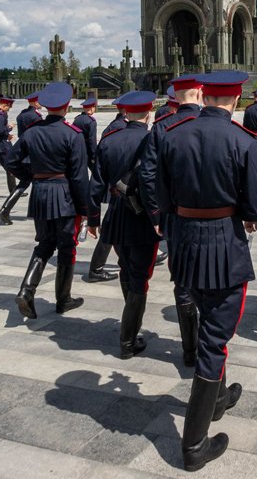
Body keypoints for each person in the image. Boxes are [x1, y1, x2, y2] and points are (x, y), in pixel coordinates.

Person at [156, 71, 257, 471]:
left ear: (204, 97)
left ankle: (219, 399)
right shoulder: (243, 141)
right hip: (223, 243)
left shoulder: (171, 135)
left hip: (186, 242)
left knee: (208, 322)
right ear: (236, 101)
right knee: (215, 340)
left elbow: (161, 195)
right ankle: (193, 445)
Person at [3, 82, 94, 318]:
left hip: (41, 194)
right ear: (66, 106)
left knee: (44, 245)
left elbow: (11, 161)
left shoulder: (32, 132)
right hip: (64, 196)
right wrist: (85, 209)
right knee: (66, 247)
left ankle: (26, 291)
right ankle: (63, 299)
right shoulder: (73, 135)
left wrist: (32, 176)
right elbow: (78, 177)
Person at [137, 73, 203, 367]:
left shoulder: (162, 128)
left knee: (183, 283)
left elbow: (147, 175)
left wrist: (156, 213)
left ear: (175, 96)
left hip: (175, 220)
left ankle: (190, 351)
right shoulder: (214, 123)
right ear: (200, 93)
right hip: (216, 220)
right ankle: (209, 351)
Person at [93, 90, 159, 358]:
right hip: (143, 216)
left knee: (125, 268)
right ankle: (129, 339)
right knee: (141, 277)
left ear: (125, 113)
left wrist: (92, 217)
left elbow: (96, 183)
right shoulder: (153, 139)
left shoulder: (109, 140)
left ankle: (131, 325)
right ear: (149, 112)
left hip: (117, 213)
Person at [73, 96, 118, 283]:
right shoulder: (90, 122)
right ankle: (97, 268)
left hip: (78, 157)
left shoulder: (77, 119)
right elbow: (92, 144)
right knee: (113, 226)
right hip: (87, 159)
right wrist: (94, 163)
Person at [0, 92, 43, 225]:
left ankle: (5, 210)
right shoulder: (35, 116)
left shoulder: (22, 114)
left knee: (25, 182)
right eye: (39, 101)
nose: (41, 103)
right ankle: (34, 212)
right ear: (33, 102)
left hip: (23, 152)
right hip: (32, 154)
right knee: (36, 182)